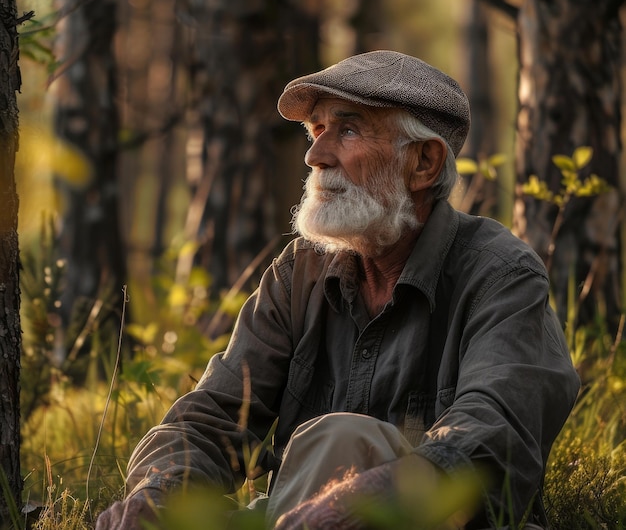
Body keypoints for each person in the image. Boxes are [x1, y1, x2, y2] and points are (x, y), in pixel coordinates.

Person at [95, 50, 580, 530]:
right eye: (316, 131)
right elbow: (214, 418)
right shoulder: (298, 273)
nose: (315, 156)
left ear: (424, 163)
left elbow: (497, 431)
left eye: (347, 130)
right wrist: (158, 493)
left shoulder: (501, 274)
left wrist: (378, 492)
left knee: (342, 437)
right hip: (297, 517)